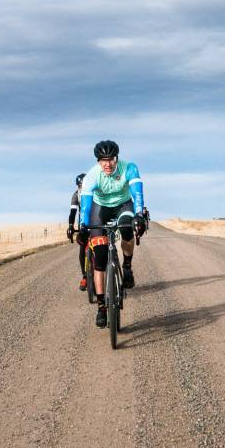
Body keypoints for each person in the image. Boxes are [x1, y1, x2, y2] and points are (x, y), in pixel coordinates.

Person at [76, 140, 148, 328]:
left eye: (111, 159)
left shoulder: (129, 168)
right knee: (99, 257)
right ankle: (101, 307)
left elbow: (137, 194)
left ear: (117, 158)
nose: (107, 164)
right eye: (103, 160)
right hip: (100, 209)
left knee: (126, 228)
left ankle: (127, 267)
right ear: (98, 161)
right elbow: (86, 205)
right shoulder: (92, 176)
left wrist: (139, 215)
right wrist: (83, 225)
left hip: (123, 205)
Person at [66, 173, 89, 290]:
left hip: (96, 222)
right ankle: (85, 276)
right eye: (80, 186)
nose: (82, 188)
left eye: (84, 186)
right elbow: (73, 213)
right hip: (83, 225)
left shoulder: (94, 193)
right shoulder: (76, 195)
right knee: (82, 249)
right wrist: (71, 225)